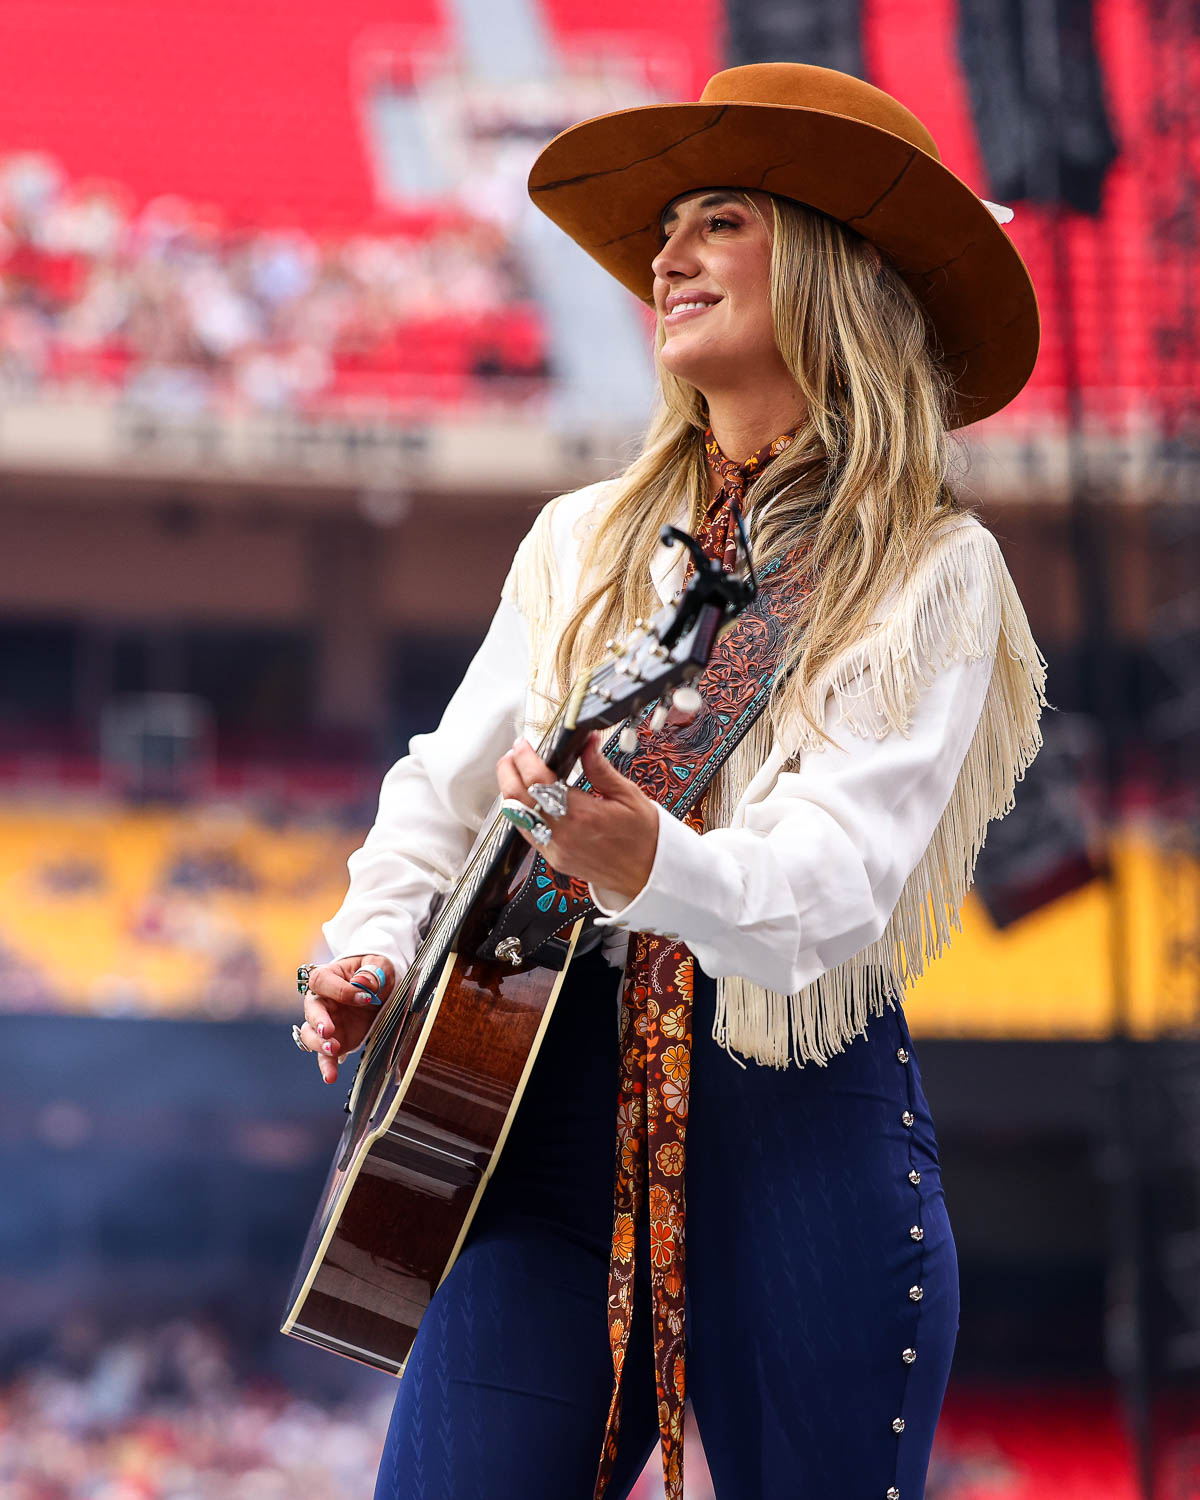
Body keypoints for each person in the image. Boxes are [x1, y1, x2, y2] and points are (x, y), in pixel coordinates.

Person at [293, 63, 1046, 1500]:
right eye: (667, 228)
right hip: (541, 1133)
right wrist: (375, 951)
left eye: (723, 221)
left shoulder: (937, 569)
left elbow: (836, 885)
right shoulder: (581, 534)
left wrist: (648, 865)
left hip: (804, 1159)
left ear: (831, 268)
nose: (666, 254)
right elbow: (442, 794)